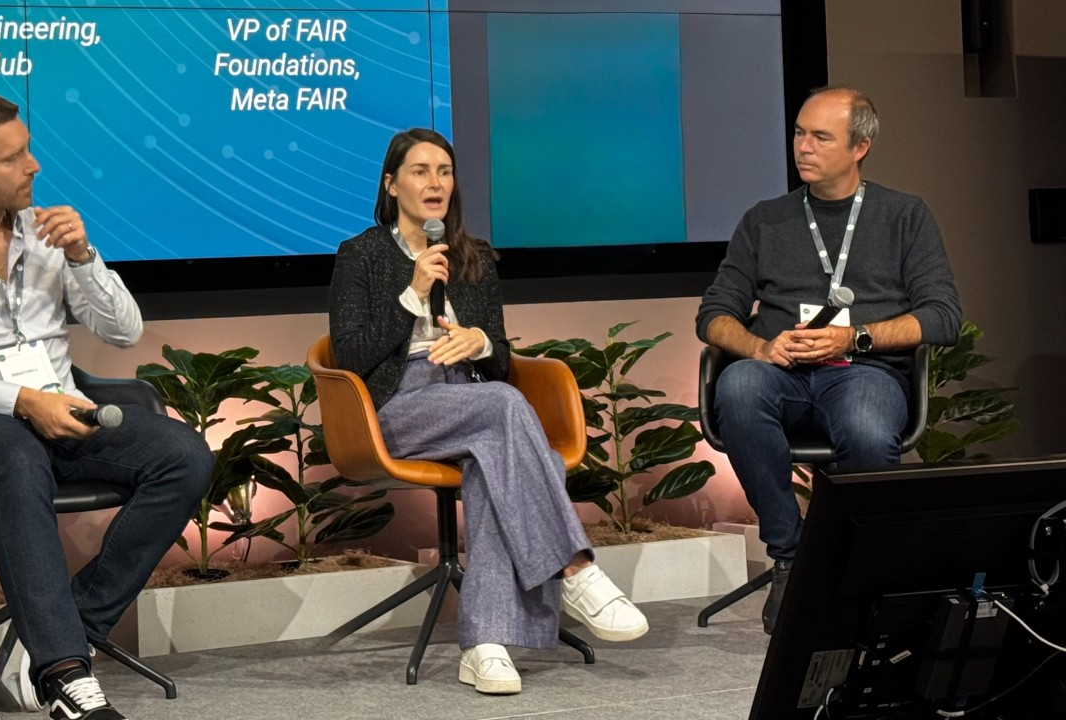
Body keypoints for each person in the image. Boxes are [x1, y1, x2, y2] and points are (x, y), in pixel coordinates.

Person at [0, 92, 212, 720]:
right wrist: (20, 400)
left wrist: (84, 257)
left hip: (65, 408)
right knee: (17, 461)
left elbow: (123, 331)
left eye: (28, 150)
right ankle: (64, 676)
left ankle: (65, 629)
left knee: (184, 455)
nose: (34, 165)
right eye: (13, 158)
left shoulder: (47, 232)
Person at [328, 128, 649, 695]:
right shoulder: (362, 255)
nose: (435, 182)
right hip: (396, 404)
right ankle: (573, 568)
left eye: (445, 171)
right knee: (504, 410)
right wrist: (410, 295)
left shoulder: (473, 257)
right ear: (391, 184)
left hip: (471, 396)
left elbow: (499, 358)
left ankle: (484, 646)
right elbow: (350, 355)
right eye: (421, 171)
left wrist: (479, 342)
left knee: (492, 451)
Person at [695, 86, 962, 634]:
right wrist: (761, 348)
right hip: (780, 374)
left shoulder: (904, 215)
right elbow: (714, 314)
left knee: (865, 425)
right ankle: (790, 557)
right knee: (739, 386)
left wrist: (853, 339)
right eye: (799, 133)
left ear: (860, 147)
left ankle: (861, 567)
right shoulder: (764, 220)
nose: (803, 147)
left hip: (864, 371)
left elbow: (942, 317)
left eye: (821, 137)